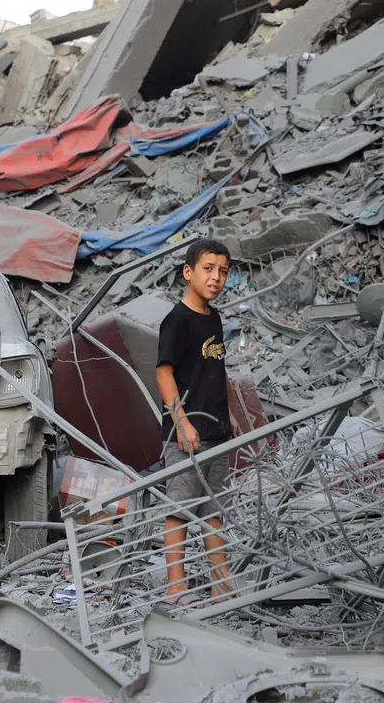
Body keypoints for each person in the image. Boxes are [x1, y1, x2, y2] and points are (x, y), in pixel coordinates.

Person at [156, 238, 239, 607]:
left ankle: (221, 584)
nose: (216, 277)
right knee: (179, 510)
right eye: (208, 269)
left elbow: (213, 372)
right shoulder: (176, 321)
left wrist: (228, 416)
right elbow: (164, 374)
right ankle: (177, 587)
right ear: (188, 272)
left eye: (223, 271)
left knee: (214, 510)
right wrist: (182, 422)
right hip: (185, 434)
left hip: (216, 432)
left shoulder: (215, 318)